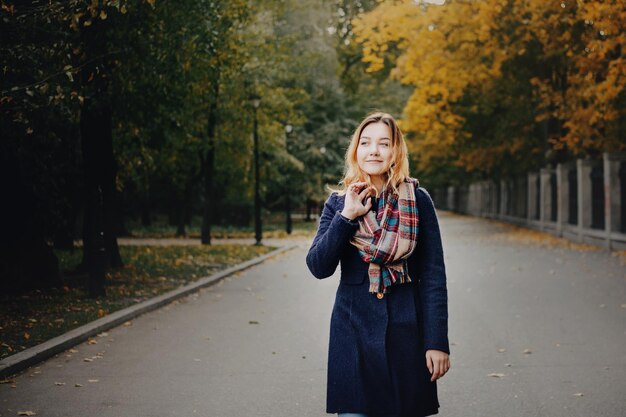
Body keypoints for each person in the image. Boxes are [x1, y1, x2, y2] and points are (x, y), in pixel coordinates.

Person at [306, 112, 451, 417]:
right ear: (356, 150)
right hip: (352, 333)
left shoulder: (417, 200)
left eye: (384, 143)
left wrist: (437, 341)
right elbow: (319, 266)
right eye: (366, 142)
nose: (374, 150)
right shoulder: (339, 203)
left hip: (407, 334)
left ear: (396, 152)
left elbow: (433, 276)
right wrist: (347, 218)